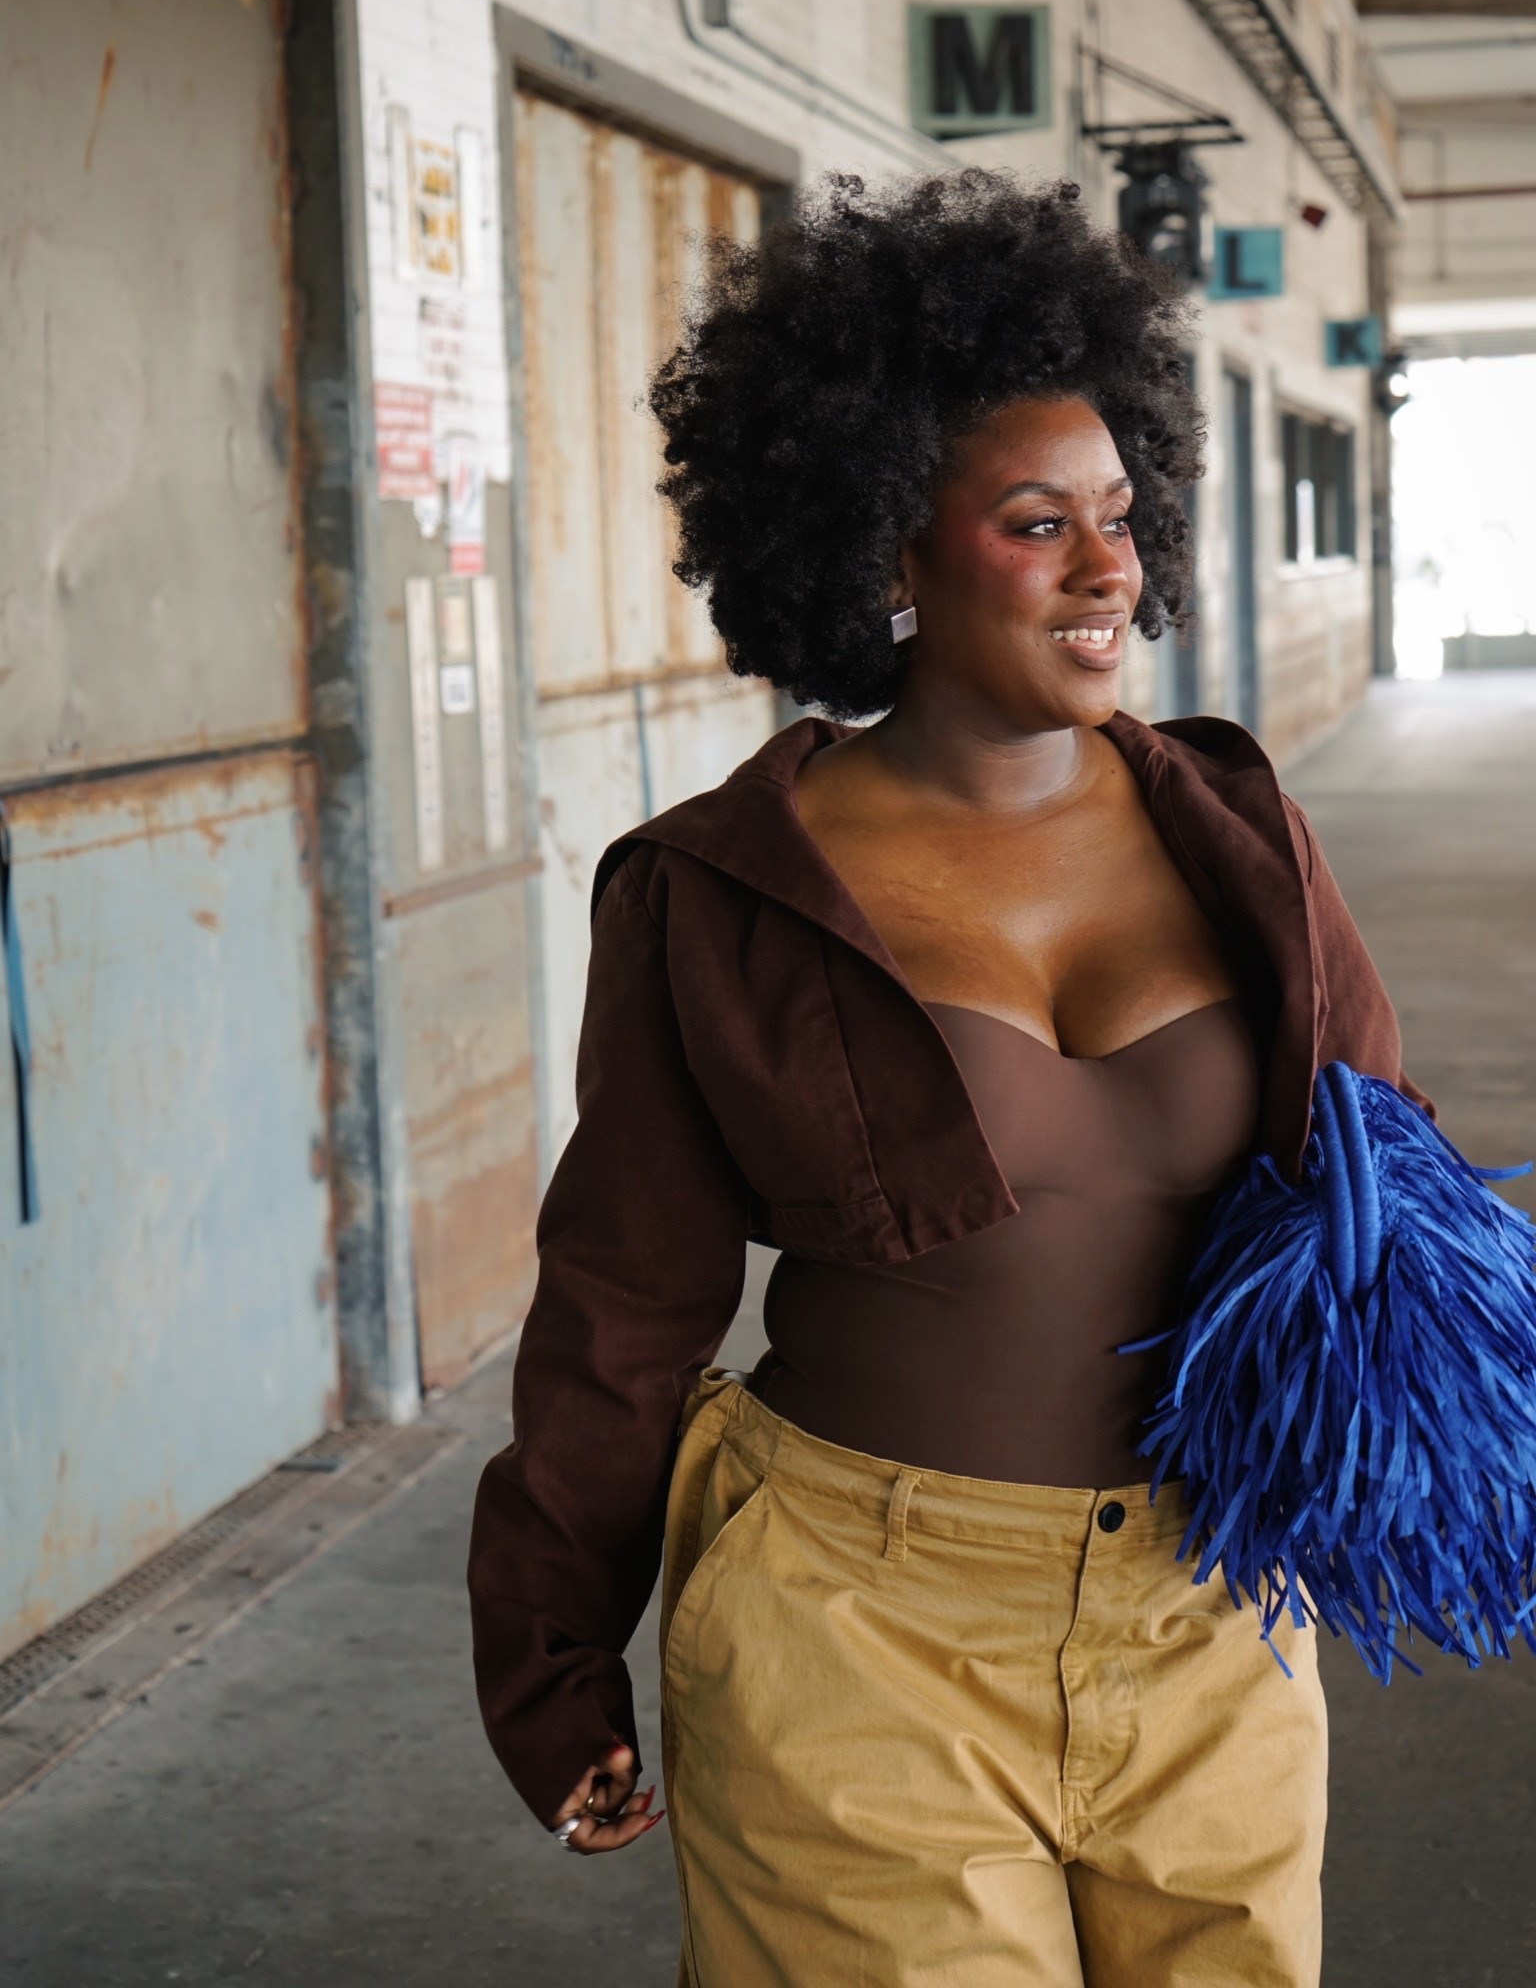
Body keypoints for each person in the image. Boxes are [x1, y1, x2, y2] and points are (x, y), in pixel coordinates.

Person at [468, 170, 1433, 1987]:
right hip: (859, 1620)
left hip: (1210, 1616)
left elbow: (1395, 1201)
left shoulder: (1241, 836)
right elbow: (621, 1304)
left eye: (1122, 516)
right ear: (882, 549)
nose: (1107, 569)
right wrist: (551, 1650)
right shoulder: (718, 888)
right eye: (1035, 521)